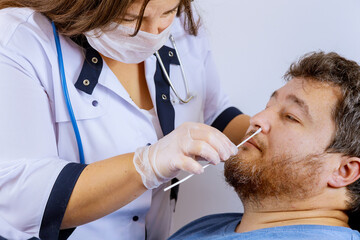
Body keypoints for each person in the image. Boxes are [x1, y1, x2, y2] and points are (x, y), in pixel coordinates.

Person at [0, 0, 251, 239]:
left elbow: (214, 112)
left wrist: (271, 127)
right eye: (130, 18)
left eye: (167, 13)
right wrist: (147, 165)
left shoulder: (182, 20)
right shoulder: (18, 39)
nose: (154, 33)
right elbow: (23, 195)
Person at [169, 52, 360, 240]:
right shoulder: (207, 227)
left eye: (291, 117)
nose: (256, 119)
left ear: (344, 171)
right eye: (268, 106)